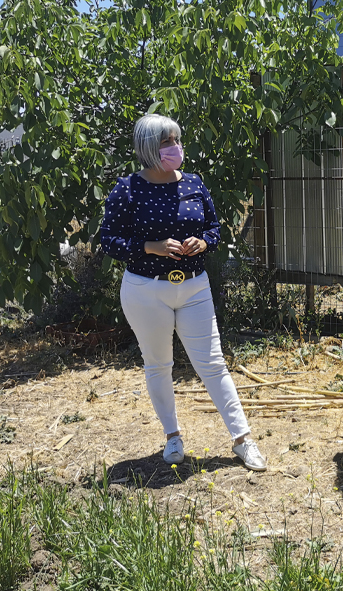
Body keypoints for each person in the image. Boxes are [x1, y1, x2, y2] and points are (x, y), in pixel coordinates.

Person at [100, 114, 267, 471]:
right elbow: (109, 240)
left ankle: (242, 439)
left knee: (212, 363)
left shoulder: (194, 183)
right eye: (166, 142)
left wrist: (202, 241)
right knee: (159, 365)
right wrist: (150, 247)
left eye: (176, 140)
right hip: (146, 290)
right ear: (148, 147)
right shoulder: (127, 188)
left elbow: (214, 229)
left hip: (193, 286)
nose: (175, 148)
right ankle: (172, 438)